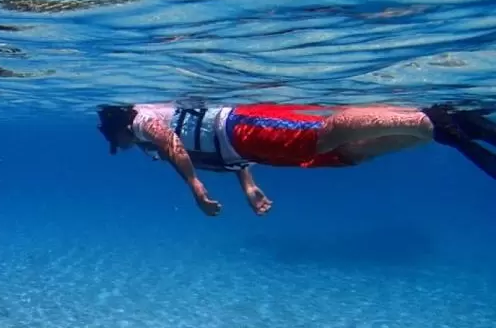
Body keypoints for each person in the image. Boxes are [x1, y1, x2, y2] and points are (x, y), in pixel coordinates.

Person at [96, 102, 496, 216]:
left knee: (319, 136)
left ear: (115, 127)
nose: (122, 145)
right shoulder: (141, 136)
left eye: (116, 140)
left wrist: (195, 187)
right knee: (345, 155)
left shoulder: (139, 120)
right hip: (242, 146)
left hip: (239, 126)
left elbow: (173, 143)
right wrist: (248, 184)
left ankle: (427, 119)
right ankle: (436, 130)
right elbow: (209, 151)